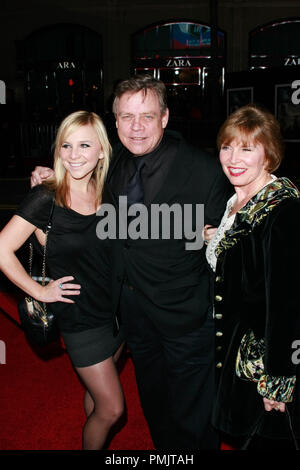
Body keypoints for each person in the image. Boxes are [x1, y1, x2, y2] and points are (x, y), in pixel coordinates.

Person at [31, 74, 231, 450]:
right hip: (130, 315)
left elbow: (228, 236)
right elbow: (76, 171)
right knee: (155, 405)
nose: (136, 127)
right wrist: (46, 176)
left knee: (194, 415)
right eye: (126, 117)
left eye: (147, 116)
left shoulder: (203, 171)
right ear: (115, 121)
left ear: (165, 118)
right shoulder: (111, 165)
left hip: (185, 315)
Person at [0, 111, 125, 450]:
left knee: (97, 397)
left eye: (84, 145)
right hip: (80, 319)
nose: (73, 154)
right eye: (66, 145)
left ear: (102, 150)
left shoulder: (107, 191)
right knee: (113, 409)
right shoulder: (46, 197)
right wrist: (39, 289)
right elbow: (1, 249)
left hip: (115, 312)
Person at [203, 103, 300, 449]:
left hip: (263, 365)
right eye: (227, 146)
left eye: (247, 148)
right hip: (233, 355)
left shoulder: (282, 211)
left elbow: (288, 305)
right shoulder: (235, 201)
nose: (233, 158)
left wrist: (279, 380)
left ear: (269, 155)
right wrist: (212, 238)